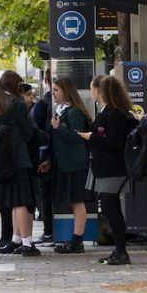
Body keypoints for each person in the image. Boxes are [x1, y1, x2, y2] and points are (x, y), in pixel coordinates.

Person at [0, 70, 40, 257]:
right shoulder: (18, 105)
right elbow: (29, 133)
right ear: (14, 85)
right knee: (20, 201)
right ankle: (27, 244)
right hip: (16, 159)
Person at [77, 74, 132, 265]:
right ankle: (118, 249)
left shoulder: (114, 113)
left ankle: (122, 250)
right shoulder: (107, 111)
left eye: (93, 88)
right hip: (105, 166)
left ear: (99, 90)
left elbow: (115, 142)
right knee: (110, 207)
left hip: (112, 167)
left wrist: (91, 138)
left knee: (110, 206)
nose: (92, 92)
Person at [50, 76, 92, 254]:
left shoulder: (74, 112)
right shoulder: (60, 110)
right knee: (72, 201)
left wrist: (60, 128)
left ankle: (77, 240)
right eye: (53, 90)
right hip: (64, 163)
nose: (53, 93)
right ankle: (76, 238)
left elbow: (77, 137)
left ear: (66, 91)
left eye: (56, 90)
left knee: (77, 201)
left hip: (75, 163)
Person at [31, 69, 55, 244]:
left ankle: (48, 232)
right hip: (57, 155)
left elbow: (34, 131)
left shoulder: (41, 104)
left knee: (45, 194)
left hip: (44, 156)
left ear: (45, 80)